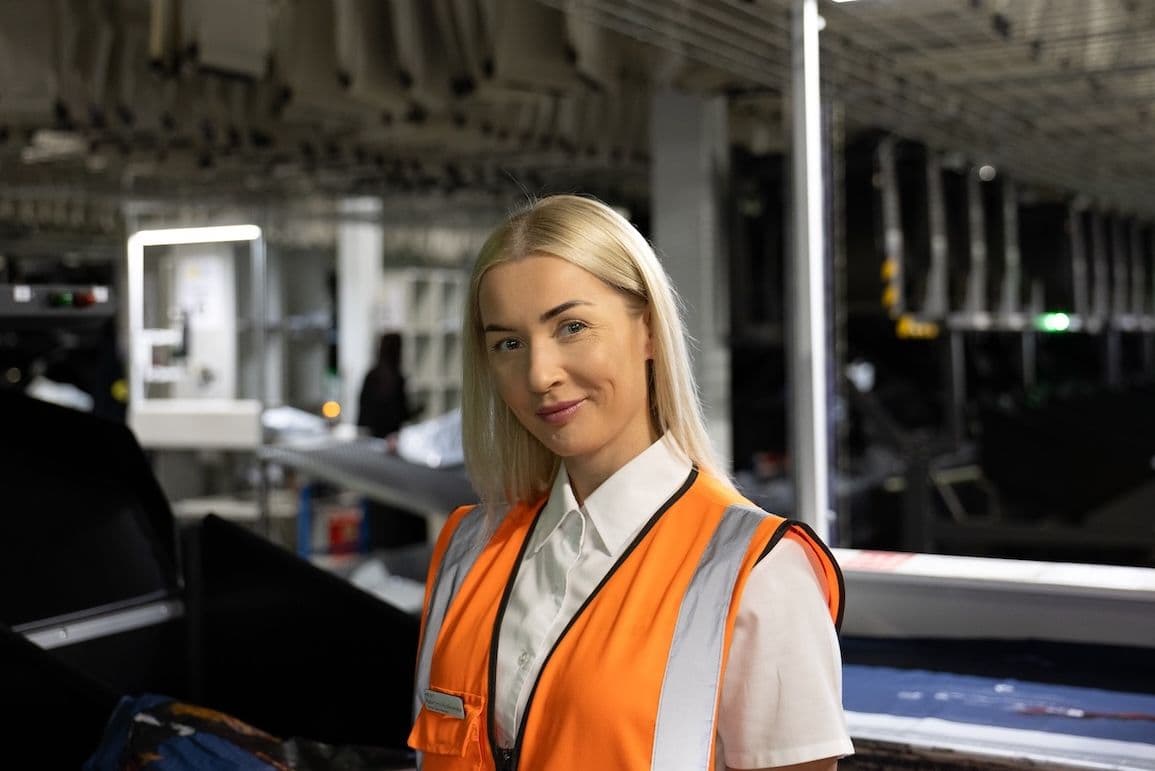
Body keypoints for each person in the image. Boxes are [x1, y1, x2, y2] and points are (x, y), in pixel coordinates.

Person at [409, 195, 852, 770]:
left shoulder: (757, 573)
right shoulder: (466, 550)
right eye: (508, 344)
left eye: (572, 327)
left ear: (647, 330)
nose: (540, 374)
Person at [357, 331, 427, 547]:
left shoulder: (371, 377)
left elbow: (362, 418)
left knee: (379, 508)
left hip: (374, 452)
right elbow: (401, 416)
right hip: (394, 451)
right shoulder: (397, 379)